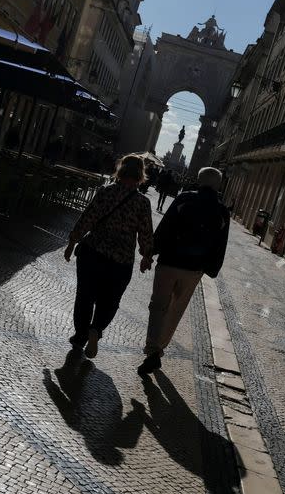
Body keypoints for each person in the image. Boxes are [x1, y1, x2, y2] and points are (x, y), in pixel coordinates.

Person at [138, 167, 230, 375]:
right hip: (193, 269)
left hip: (169, 262)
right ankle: (159, 349)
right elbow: (220, 244)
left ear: (199, 181)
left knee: (158, 306)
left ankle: (152, 350)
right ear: (218, 185)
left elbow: (165, 228)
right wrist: (211, 268)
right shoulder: (222, 211)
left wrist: (150, 252)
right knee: (175, 310)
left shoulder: (184, 199)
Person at [65, 155, 155, 359]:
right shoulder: (142, 203)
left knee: (85, 296)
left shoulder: (107, 192)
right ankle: (96, 330)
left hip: (93, 253)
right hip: (121, 260)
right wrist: (146, 256)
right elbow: (146, 233)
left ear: (121, 169)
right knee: (111, 300)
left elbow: (88, 217)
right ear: (141, 174)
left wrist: (72, 242)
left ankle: (80, 335)